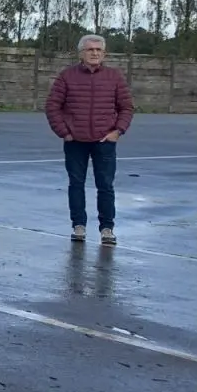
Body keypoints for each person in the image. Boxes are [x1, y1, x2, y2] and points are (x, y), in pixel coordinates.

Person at [45, 34, 133, 245]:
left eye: (98, 50)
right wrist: (64, 133)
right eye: (90, 49)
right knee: (76, 184)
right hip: (75, 142)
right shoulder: (67, 76)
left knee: (106, 186)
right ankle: (78, 226)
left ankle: (107, 229)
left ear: (104, 53)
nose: (94, 53)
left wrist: (118, 131)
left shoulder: (114, 77)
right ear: (81, 53)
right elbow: (52, 106)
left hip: (105, 142)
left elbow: (126, 107)